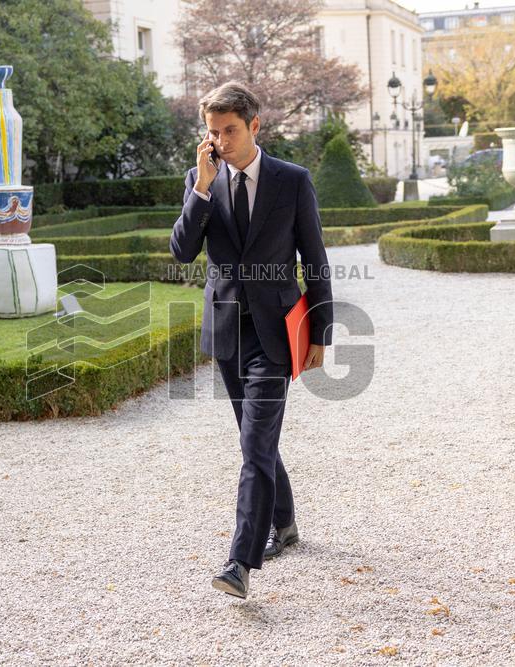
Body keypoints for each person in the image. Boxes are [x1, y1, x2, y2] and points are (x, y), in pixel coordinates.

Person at [169, 81, 334, 600]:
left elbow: (315, 257)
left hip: (276, 330)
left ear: (254, 126)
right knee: (254, 437)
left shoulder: (292, 181)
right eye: (212, 132)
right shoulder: (203, 179)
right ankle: (284, 524)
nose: (220, 141)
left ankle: (240, 560)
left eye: (230, 130)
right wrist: (200, 188)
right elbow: (182, 251)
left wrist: (322, 331)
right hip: (226, 328)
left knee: (254, 444)